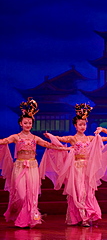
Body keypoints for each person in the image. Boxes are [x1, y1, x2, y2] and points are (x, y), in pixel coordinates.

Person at [0, 98, 70, 228]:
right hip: (19, 167)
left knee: (31, 194)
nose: (27, 125)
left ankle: (26, 219)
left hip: (32, 167)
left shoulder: (35, 138)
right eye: (25, 122)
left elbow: (49, 145)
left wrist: (65, 148)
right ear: (20, 123)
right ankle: (19, 214)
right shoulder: (16, 137)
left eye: (30, 123)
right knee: (20, 194)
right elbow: (4, 141)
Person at [41, 103, 107, 227]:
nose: (82, 126)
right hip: (76, 168)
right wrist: (51, 136)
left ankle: (88, 215)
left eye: (84, 124)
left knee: (88, 192)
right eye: (80, 124)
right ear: (75, 126)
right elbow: (60, 139)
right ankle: (82, 217)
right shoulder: (72, 138)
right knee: (79, 191)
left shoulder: (90, 138)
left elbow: (104, 139)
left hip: (87, 168)